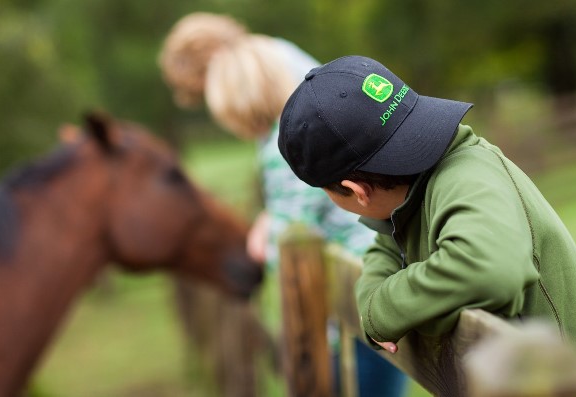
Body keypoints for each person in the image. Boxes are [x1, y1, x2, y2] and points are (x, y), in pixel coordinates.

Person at [159, 13, 409, 397]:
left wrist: (265, 240)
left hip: (358, 293)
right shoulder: (279, 62)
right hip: (373, 274)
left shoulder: (285, 145)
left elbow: (294, 234)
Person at [277, 54, 576, 355]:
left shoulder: (467, 176)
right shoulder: (413, 190)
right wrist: (383, 304)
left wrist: (380, 313)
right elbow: (384, 251)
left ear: (356, 191)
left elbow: (489, 270)